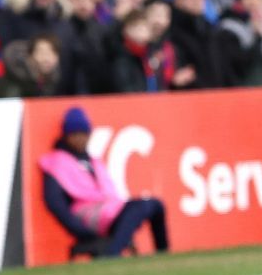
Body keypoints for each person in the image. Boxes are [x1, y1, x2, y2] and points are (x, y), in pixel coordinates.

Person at [39, 106, 170, 257]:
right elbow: (55, 203)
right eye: (76, 134)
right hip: (88, 214)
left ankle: (163, 255)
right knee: (139, 207)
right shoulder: (57, 163)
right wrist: (81, 232)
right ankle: (112, 252)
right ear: (67, 136)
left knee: (155, 205)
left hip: (110, 209)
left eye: (85, 134)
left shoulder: (93, 160)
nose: (81, 139)